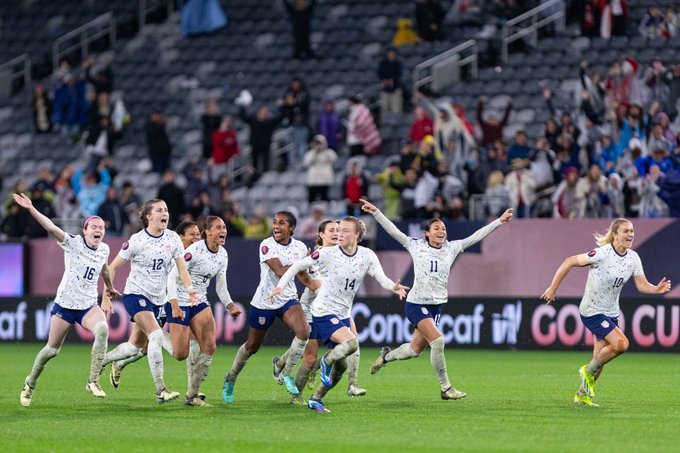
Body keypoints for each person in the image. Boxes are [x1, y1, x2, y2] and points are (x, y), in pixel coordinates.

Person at [362, 199, 513, 401]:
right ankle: (446, 388)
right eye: (436, 228)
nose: (441, 231)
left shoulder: (451, 248)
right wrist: (377, 212)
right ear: (427, 233)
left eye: (443, 228)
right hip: (416, 303)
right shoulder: (416, 246)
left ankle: (385, 357)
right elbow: (394, 232)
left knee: (415, 350)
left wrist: (499, 221)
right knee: (438, 341)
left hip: (437, 305)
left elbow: (477, 236)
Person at [270, 216, 408, 413]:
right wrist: (281, 286)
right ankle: (320, 366)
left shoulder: (367, 256)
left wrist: (393, 287)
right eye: (338, 230)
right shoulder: (328, 253)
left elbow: (381, 277)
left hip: (342, 313)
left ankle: (316, 398)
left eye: (344, 231)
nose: (339, 234)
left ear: (357, 235)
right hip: (323, 310)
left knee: (341, 367)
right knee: (351, 344)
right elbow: (298, 266)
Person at [540, 218, 671, 407]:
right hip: (592, 310)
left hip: (611, 312)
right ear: (615, 235)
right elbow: (569, 262)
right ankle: (586, 371)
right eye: (625, 231)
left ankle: (582, 396)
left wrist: (656, 289)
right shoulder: (602, 254)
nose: (630, 235)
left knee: (600, 358)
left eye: (632, 231)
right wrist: (553, 288)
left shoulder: (633, 258)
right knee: (622, 344)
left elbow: (642, 285)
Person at [14, 193, 119, 406]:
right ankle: (30, 382)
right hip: (65, 305)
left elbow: (105, 270)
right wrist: (31, 208)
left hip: (88, 305)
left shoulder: (104, 249)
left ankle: (93, 380)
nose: (98, 230)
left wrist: (109, 288)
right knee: (52, 350)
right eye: (94, 227)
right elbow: (52, 228)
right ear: (84, 230)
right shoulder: (73, 243)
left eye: (101, 227)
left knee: (103, 330)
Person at [98, 199, 198, 403]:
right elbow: (113, 267)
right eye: (160, 210)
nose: (165, 213)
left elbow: (182, 269)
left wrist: (189, 290)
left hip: (159, 300)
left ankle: (104, 359)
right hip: (136, 294)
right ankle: (161, 389)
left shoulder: (172, 239)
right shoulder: (136, 240)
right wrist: (106, 294)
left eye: (167, 210)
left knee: (136, 348)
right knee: (156, 336)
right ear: (149, 216)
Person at [222, 211, 317, 404]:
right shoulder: (266, 245)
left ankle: (286, 372)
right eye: (274, 222)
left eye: (281, 223)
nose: (276, 226)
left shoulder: (299, 247)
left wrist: (317, 287)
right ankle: (231, 377)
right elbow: (281, 270)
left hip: (287, 298)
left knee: (304, 331)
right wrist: (302, 262)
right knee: (252, 346)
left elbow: (303, 276)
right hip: (264, 301)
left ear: (291, 228)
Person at [166, 216, 242, 406]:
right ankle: (157, 335)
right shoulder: (194, 251)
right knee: (180, 354)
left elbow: (220, 287)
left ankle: (192, 395)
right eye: (218, 227)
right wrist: (174, 304)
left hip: (199, 301)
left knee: (209, 347)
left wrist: (230, 304)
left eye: (224, 227)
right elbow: (172, 277)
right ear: (207, 232)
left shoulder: (223, 254)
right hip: (181, 299)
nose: (223, 230)